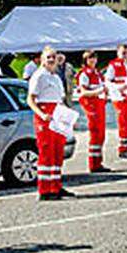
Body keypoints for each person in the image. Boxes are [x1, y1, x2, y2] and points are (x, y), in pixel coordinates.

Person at [27, 46, 74, 201]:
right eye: (48, 57)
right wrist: (42, 115)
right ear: (42, 59)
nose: (52, 59)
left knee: (57, 152)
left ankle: (56, 186)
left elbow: (60, 99)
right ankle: (45, 190)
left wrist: (67, 118)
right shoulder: (39, 76)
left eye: (53, 56)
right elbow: (31, 100)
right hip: (45, 115)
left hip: (57, 114)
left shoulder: (55, 77)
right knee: (46, 153)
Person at [75, 50, 110, 173]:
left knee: (101, 135)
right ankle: (93, 164)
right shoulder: (84, 74)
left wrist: (105, 92)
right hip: (91, 107)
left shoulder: (97, 73)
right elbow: (83, 92)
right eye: (90, 58)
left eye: (94, 58)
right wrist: (99, 92)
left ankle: (98, 162)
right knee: (95, 135)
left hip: (100, 105)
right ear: (85, 60)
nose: (93, 61)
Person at [104, 44, 127, 159]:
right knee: (123, 122)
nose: (125, 55)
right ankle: (122, 149)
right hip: (120, 97)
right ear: (118, 53)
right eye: (123, 53)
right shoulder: (113, 65)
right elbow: (107, 82)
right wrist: (118, 87)